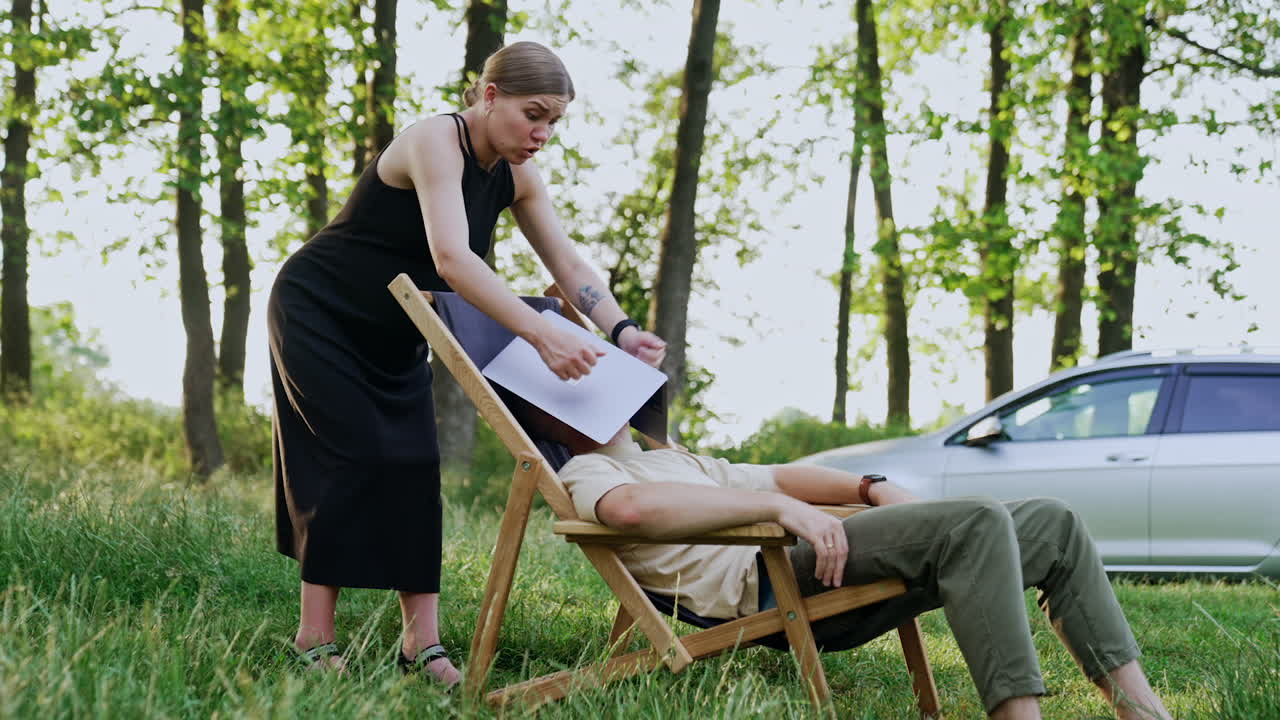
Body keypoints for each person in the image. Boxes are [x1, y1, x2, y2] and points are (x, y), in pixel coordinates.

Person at [268, 41, 666, 686]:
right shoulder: (433, 141)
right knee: (345, 459)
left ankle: (420, 646)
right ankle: (314, 638)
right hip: (322, 311)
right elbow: (453, 258)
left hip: (400, 326)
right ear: (488, 96)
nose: (541, 134)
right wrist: (541, 333)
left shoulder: (518, 174)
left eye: (553, 123)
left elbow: (566, 263)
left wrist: (621, 329)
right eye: (532, 115)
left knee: (415, 464)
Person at [498, 393, 1173, 720]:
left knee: (1051, 522)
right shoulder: (589, 470)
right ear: (557, 415)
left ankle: (1141, 711)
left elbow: (783, 476)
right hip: (773, 585)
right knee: (974, 523)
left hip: (808, 557)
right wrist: (773, 513)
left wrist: (868, 486)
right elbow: (629, 514)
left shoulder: (675, 460)